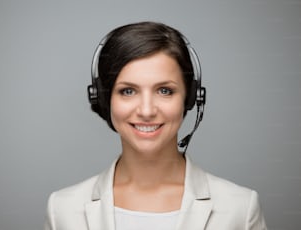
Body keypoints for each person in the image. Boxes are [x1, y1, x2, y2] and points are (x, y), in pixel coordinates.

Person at [44, 21, 267, 230]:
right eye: (128, 91)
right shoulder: (62, 210)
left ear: (189, 98)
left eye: (164, 91)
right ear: (103, 99)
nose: (147, 111)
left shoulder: (240, 208)